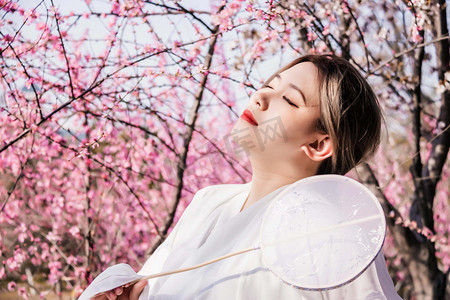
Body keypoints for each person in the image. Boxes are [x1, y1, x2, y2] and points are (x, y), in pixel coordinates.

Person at [89, 54, 402, 300]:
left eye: (290, 100)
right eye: (268, 86)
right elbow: (148, 286)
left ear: (319, 144)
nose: (259, 99)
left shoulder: (331, 231)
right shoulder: (209, 202)